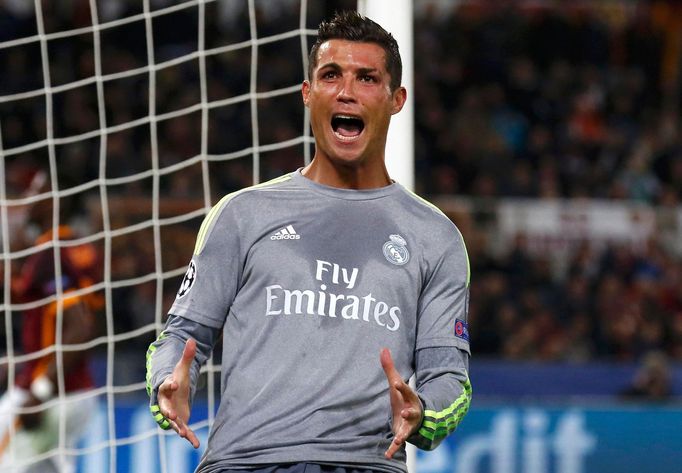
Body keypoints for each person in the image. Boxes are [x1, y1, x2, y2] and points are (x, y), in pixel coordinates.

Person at [146, 11, 472, 473]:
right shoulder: (242, 214)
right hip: (244, 464)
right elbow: (181, 337)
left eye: (367, 78)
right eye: (331, 75)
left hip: (364, 465)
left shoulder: (435, 237)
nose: (346, 91)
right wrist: (168, 381)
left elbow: (449, 377)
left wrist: (423, 412)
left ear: (395, 99)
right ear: (307, 93)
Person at [0, 170, 102, 473]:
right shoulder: (79, 249)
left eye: (37, 191)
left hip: (53, 392)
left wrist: (42, 389)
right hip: (74, 389)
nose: (30, 198)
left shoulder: (50, 254)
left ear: (55, 202)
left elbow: (81, 328)